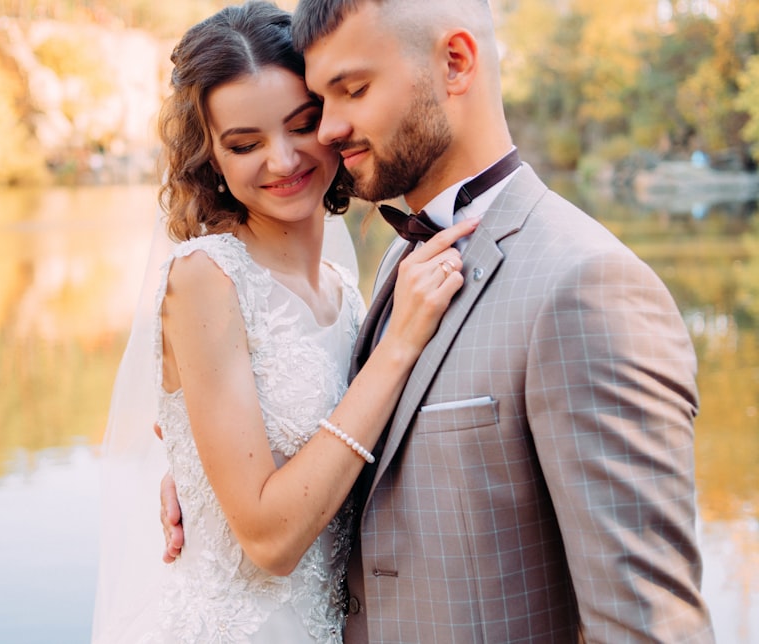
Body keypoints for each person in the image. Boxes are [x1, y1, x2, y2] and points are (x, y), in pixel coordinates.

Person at [161, 0, 716, 641]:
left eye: (352, 91)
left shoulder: (589, 288)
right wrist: (203, 474)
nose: (331, 130)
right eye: (324, 101)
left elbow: (646, 623)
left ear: (455, 63)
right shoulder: (402, 258)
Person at [91, 3, 478, 642]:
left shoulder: (343, 289)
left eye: (301, 126)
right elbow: (269, 541)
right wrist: (400, 345)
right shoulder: (205, 280)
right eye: (245, 144)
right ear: (210, 157)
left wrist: (197, 475)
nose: (282, 160)